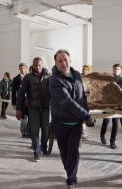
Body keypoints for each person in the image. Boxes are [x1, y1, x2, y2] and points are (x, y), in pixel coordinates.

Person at [50, 49, 94, 189]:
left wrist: (87, 113)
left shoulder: (76, 75)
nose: (64, 63)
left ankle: (71, 179)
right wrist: (86, 116)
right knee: (65, 153)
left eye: (66, 59)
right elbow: (67, 102)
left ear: (70, 60)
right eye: (60, 61)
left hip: (76, 123)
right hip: (60, 123)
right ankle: (70, 173)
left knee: (74, 152)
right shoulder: (54, 80)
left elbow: (83, 97)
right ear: (56, 63)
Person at [16, 57, 51, 162]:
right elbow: (21, 94)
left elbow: (54, 92)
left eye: (40, 65)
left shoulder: (49, 77)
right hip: (33, 108)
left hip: (45, 108)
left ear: (42, 64)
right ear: (33, 65)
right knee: (34, 131)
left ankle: (44, 147)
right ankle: (37, 152)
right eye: (36, 65)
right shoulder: (28, 77)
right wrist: (18, 109)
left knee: (45, 131)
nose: (38, 67)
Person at [100, 63, 122, 149]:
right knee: (106, 120)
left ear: (120, 70)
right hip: (108, 103)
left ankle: (112, 141)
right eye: (115, 69)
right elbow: (103, 90)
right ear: (112, 69)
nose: (116, 70)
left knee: (115, 123)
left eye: (118, 69)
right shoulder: (108, 78)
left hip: (117, 105)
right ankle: (102, 135)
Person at [12, 63, 30, 138]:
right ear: (19, 69)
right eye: (21, 68)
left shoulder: (30, 77)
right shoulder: (16, 79)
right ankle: (24, 132)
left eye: (24, 68)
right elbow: (13, 92)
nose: (22, 69)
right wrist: (14, 103)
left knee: (31, 118)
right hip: (21, 102)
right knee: (24, 118)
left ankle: (29, 131)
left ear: (26, 69)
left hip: (30, 101)